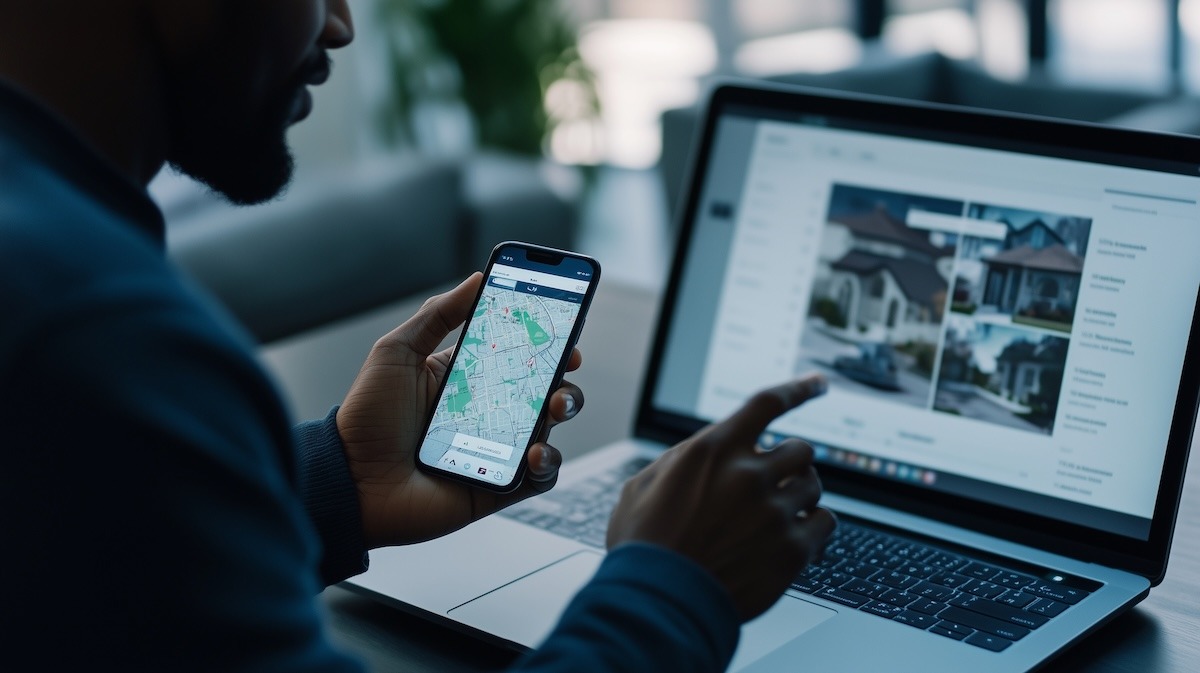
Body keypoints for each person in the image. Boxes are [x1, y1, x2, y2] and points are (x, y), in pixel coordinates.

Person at [0, 2, 837, 671]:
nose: (340, 24)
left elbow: (88, 550)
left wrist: (334, 481)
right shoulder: (97, 334)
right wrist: (676, 583)